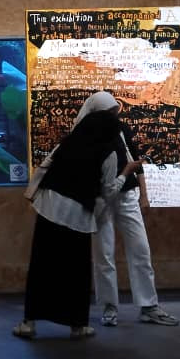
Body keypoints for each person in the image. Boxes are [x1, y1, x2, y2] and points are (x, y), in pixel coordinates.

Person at [14, 95, 142, 340]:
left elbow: (47, 166)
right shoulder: (109, 151)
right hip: (78, 217)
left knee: (42, 268)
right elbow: (108, 191)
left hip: (49, 208)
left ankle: (29, 323)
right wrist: (126, 172)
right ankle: (77, 325)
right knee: (75, 272)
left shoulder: (71, 140)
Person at [82, 93, 180, 327]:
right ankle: (109, 306)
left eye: (114, 111)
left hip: (126, 195)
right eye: (109, 112)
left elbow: (135, 162)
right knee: (104, 255)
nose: (114, 116)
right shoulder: (86, 135)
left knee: (140, 249)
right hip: (101, 200)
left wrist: (143, 195)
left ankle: (148, 305)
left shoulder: (121, 129)